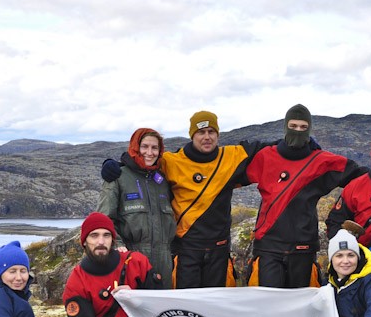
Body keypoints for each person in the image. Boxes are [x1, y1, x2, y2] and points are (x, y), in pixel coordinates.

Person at [102, 111, 267, 289]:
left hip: (218, 252)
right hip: (184, 252)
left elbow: (267, 152)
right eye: (201, 132)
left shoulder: (231, 158)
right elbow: (141, 166)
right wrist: (114, 165)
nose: (206, 137)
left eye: (211, 132)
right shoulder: (172, 162)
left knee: (216, 307)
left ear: (218, 135)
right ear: (192, 135)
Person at [245, 104, 367, 288]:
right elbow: (229, 174)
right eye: (293, 126)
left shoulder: (321, 161)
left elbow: (361, 176)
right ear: (286, 126)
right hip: (268, 246)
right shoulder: (265, 156)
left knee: (301, 307)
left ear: (309, 129)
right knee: (266, 305)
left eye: (303, 127)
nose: (298, 131)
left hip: (303, 246)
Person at [97, 127, 176, 284]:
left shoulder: (163, 180)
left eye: (155, 148)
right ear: (135, 147)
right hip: (131, 262)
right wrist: (117, 246)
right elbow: (104, 219)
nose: (149, 152)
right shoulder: (117, 177)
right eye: (144, 146)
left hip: (164, 264)